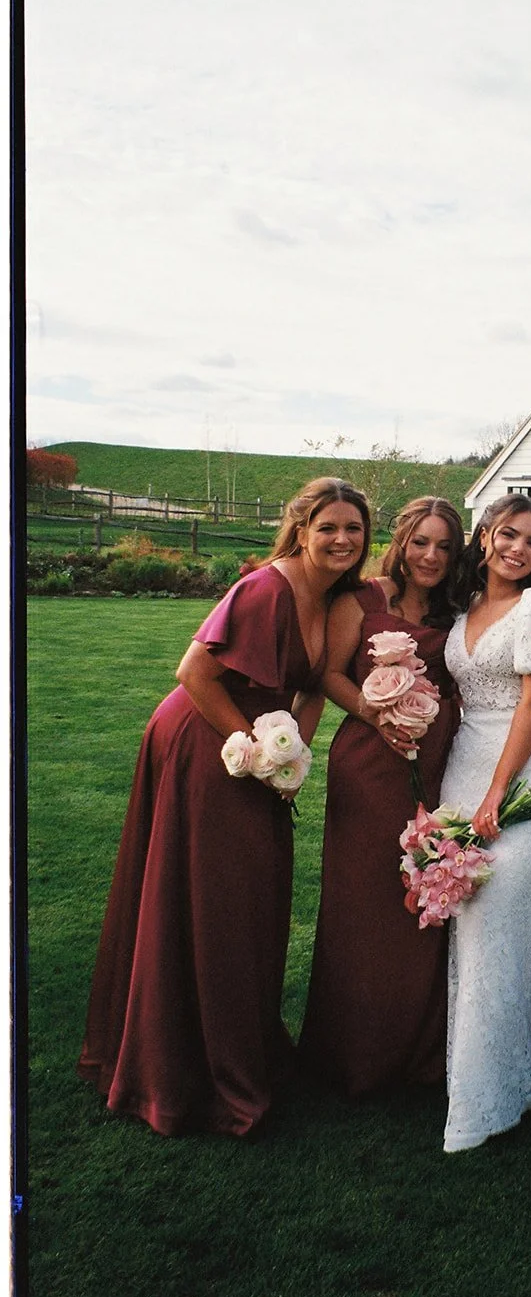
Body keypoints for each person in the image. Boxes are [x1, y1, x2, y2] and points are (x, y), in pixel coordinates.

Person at [77, 478, 371, 1137]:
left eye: (353, 528)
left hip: (255, 745)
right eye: (328, 527)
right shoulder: (266, 588)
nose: (342, 539)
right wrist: (254, 750)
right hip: (203, 738)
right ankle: (189, 1067)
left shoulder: (338, 598)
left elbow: (312, 687)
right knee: (215, 895)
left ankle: (243, 1047)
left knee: (252, 894)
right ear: (301, 529)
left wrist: (294, 757)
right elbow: (193, 673)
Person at [298, 498, 465, 1098]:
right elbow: (330, 673)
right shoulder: (362, 599)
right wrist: (375, 712)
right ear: (401, 540)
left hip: (438, 762)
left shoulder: (458, 609)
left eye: (445, 546)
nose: (431, 556)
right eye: (421, 542)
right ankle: (352, 1054)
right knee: (363, 900)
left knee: (424, 896)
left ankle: (419, 1051)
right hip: (369, 763)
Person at [439, 495, 531, 1152]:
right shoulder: (465, 605)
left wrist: (498, 792)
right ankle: (522, 1068)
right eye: (507, 534)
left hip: (530, 776)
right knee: (473, 920)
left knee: (497, 912)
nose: (518, 549)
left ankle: (487, 1100)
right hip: (465, 769)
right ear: (485, 535)